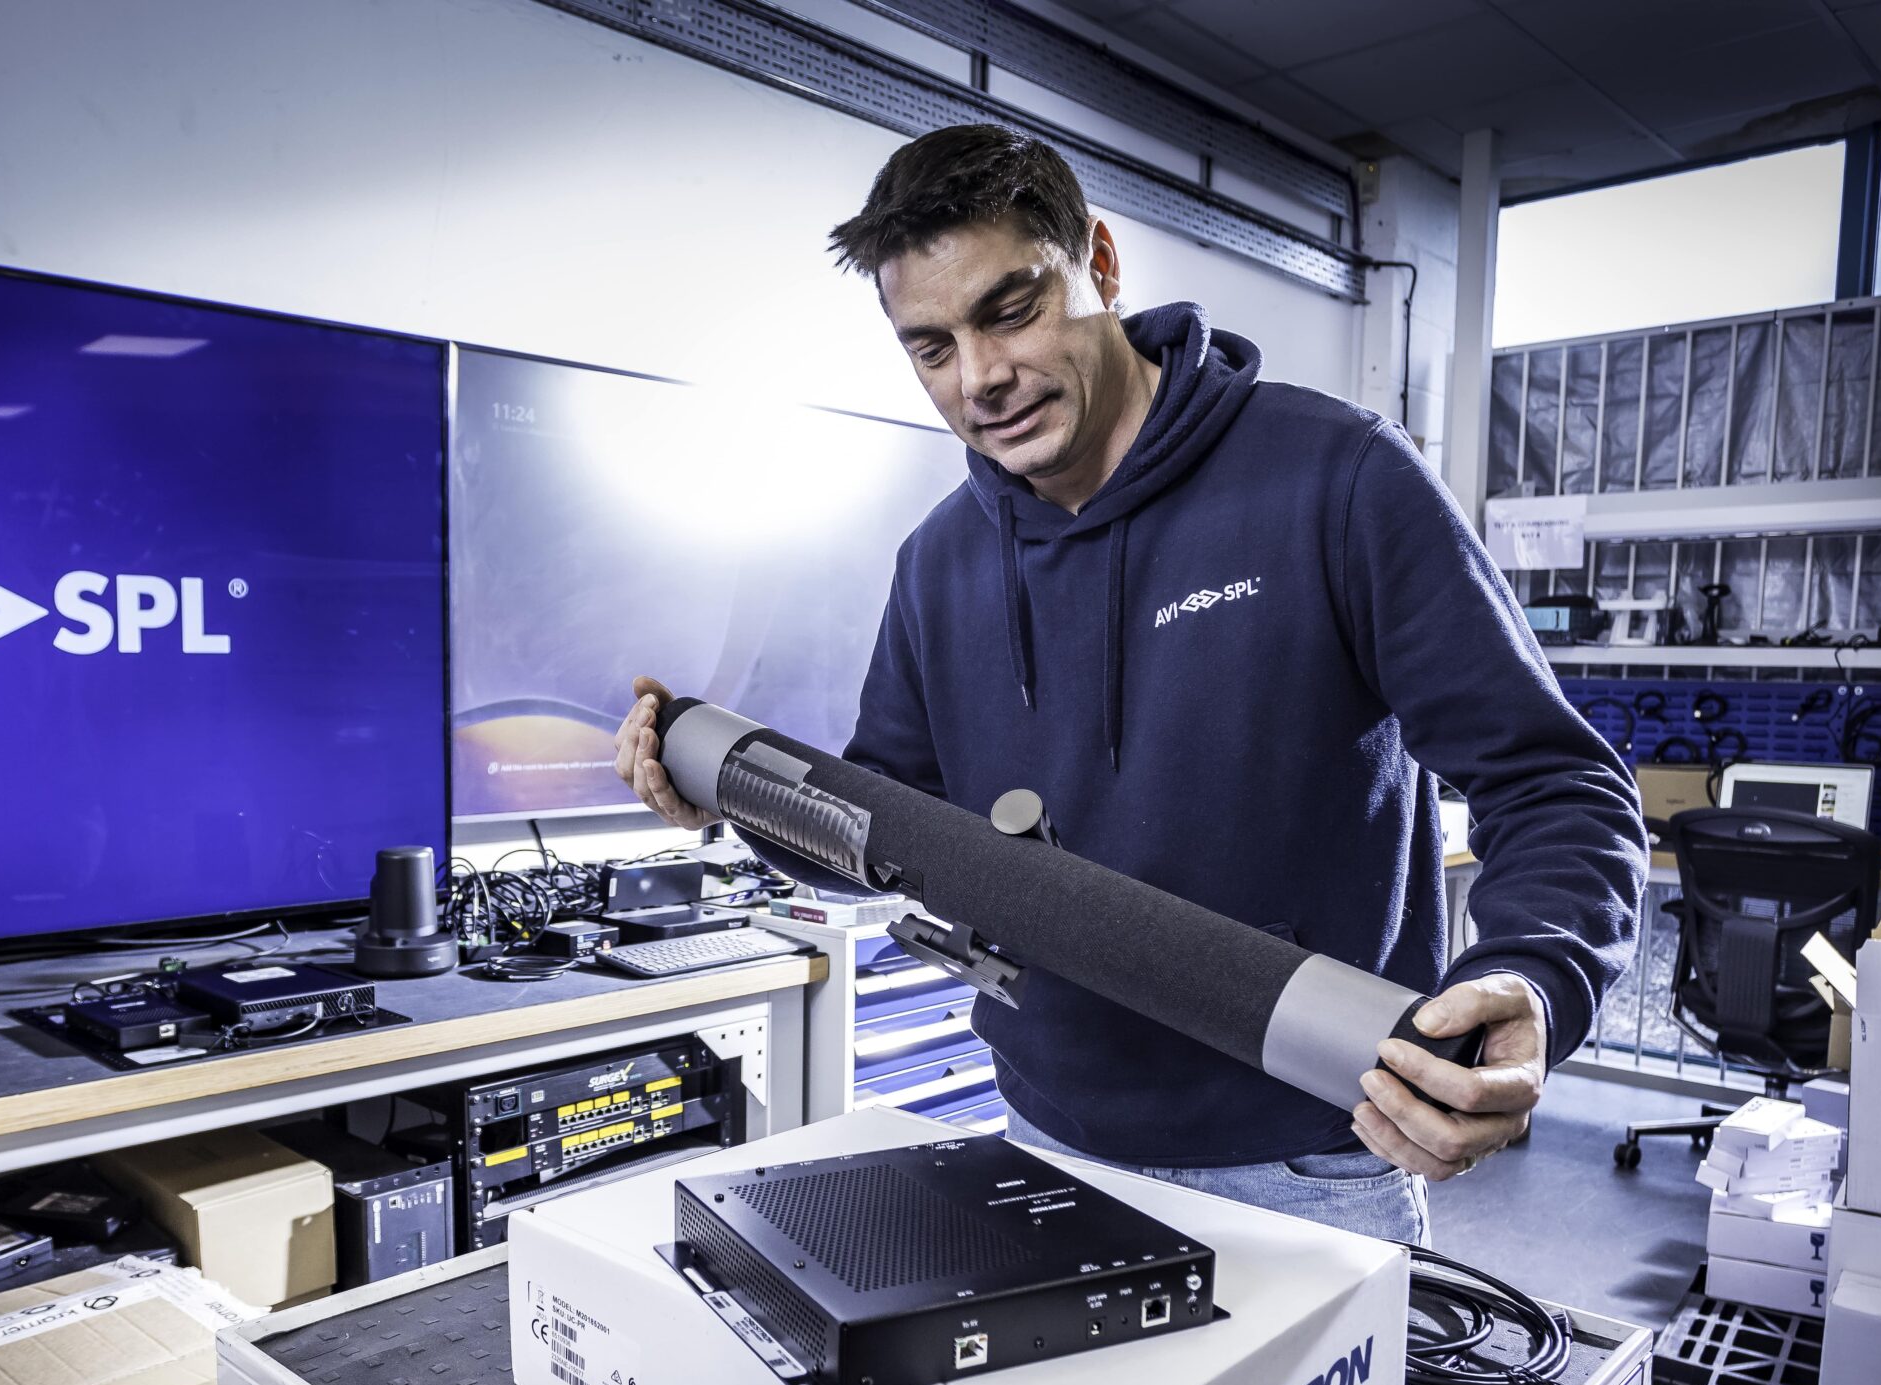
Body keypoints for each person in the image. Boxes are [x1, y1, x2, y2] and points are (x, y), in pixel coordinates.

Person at [617, 126, 1646, 1244]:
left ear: (1099, 264)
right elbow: (885, 827)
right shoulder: (942, 562)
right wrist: (725, 795)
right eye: (930, 348)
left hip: (1306, 1165)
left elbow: (1557, 786)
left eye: (1010, 310)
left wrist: (1536, 976)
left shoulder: (1335, 479)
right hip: (1044, 1140)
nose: (979, 379)